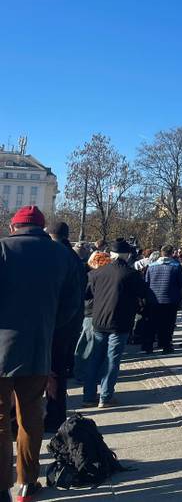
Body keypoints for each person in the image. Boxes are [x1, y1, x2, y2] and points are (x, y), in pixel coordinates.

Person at [0, 206, 80, 502]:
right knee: (31, 417)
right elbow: (71, 306)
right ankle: (27, 483)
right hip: (38, 348)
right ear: (42, 228)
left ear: (13, 227)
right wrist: (46, 326)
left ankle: (1, 487)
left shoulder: (3, 249)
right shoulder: (62, 255)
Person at [82, 239, 150, 408]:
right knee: (112, 360)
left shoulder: (96, 273)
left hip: (99, 320)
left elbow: (87, 295)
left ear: (110, 254)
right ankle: (105, 397)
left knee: (94, 359)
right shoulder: (131, 274)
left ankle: (88, 396)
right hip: (120, 322)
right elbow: (144, 294)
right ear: (127, 256)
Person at [45, 221, 88, 432]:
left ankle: (53, 417)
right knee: (58, 372)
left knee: (53, 372)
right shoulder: (73, 257)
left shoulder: (57, 255)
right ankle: (55, 416)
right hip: (69, 323)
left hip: (57, 325)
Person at [143, 244, 182, 354]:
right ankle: (166, 346)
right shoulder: (176, 266)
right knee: (168, 324)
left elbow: (146, 282)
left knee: (152, 323)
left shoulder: (151, 266)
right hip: (170, 300)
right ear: (171, 253)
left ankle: (149, 346)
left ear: (161, 253)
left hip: (154, 300)